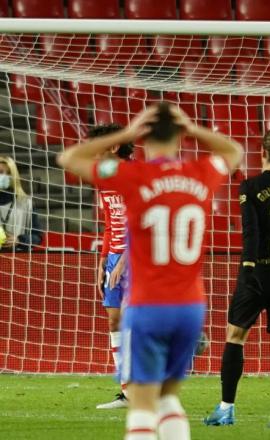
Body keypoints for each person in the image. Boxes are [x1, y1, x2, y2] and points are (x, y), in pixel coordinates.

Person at [57, 103, 243, 440]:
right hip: (190, 307)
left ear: (143, 135)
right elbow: (235, 150)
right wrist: (193, 128)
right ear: (180, 135)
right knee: (169, 399)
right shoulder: (200, 174)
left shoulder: (135, 175)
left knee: (142, 407)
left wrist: (127, 133)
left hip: (148, 304)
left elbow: (68, 159)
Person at [204, 129, 270, 429]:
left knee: (235, 336)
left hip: (257, 270)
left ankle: (226, 409)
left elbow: (251, 233)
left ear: (262, 152)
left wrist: (249, 268)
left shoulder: (250, 186)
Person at [88, 124, 134, 409]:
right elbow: (110, 222)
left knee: (133, 323)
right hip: (115, 257)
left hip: (137, 256)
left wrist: (125, 260)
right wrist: (104, 258)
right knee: (114, 320)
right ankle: (127, 391)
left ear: (114, 146)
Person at [0, 156, 42, 251]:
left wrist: (19, 240)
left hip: (18, 258)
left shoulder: (26, 203)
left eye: (9, 173)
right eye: (0, 172)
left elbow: (37, 237)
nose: (4, 176)